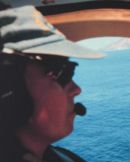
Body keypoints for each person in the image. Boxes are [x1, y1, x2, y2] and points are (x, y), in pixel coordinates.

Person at [0, 5, 104, 162]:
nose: (77, 90)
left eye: (70, 70)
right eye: (60, 72)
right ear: (9, 88)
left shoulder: (59, 156)